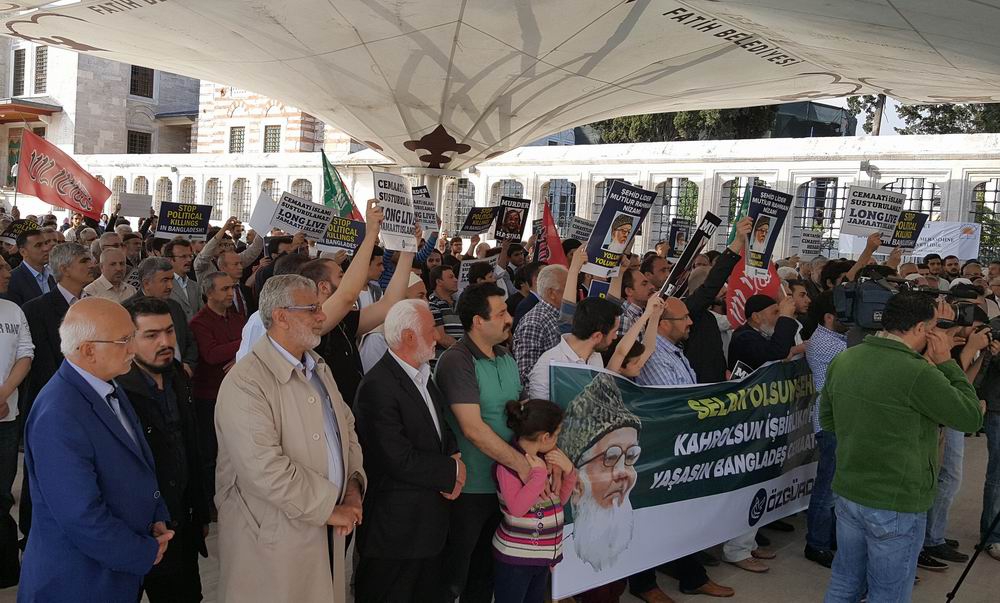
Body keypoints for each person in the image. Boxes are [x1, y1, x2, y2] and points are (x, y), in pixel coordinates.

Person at [821, 292, 984, 603]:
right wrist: (948, 364)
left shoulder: (845, 358)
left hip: (849, 491)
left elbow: (828, 422)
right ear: (922, 329)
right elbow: (970, 417)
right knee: (889, 594)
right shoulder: (917, 372)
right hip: (896, 500)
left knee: (844, 583)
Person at [215, 274, 366, 602]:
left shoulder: (317, 367)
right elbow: (263, 468)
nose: (322, 316)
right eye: (311, 308)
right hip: (273, 538)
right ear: (281, 316)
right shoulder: (247, 382)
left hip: (325, 526)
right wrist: (329, 507)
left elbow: (347, 429)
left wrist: (352, 487)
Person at [19, 298, 174, 602]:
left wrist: (155, 516)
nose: (133, 348)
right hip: (78, 581)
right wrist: (143, 551)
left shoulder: (107, 385)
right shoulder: (59, 414)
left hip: (113, 570)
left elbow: (135, 461)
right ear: (89, 349)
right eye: (124, 340)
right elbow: (81, 516)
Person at [353, 299, 464, 602]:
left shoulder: (421, 373)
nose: (437, 336)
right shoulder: (378, 386)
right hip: (396, 534)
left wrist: (454, 454)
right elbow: (396, 458)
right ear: (409, 337)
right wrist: (452, 472)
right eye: (431, 330)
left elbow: (440, 423)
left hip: (427, 528)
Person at [434, 282, 531, 602]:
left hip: (503, 487)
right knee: (453, 575)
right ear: (478, 320)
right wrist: (521, 464)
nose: (509, 318)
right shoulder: (456, 360)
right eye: (501, 313)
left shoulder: (505, 355)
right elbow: (473, 429)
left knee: (485, 574)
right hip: (469, 488)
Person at [633, 296, 735, 599]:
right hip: (661, 450)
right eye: (684, 318)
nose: (691, 322)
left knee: (682, 516)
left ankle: (691, 575)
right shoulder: (653, 357)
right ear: (663, 324)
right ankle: (644, 584)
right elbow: (675, 403)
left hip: (682, 448)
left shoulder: (673, 352)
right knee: (652, 519)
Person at [118, 297, 210, 602]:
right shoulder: (116, 389)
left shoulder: (177, 376)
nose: (165, 342)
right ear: (128, 340)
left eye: (169, 332)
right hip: (136, 529)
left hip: (181, 521)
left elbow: (189, 447)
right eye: (151, 335)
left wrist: (200, 511)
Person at [493, 399, 577, 603]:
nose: (558, 440)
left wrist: (570, 472)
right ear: (545, 437)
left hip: (541, 557)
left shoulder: (547, 460)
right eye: (557, 435)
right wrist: (538, 477)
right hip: (515, 560)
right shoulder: (508, 466)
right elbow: (517, 508)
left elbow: (559, 501)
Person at [189, 272, 246, 501]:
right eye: (224, 289)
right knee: (212, 450)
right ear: (208, 293)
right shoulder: (199, 322)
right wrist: (244, 345)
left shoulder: (238, 318)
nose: (231, 293)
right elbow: (211, 355)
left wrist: (240, 356)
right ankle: (213, 498)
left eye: (232, 288)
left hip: (238, 393)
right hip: (210, 396)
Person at [803, 291, 849, 569]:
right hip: (830, 424)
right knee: (827, 488)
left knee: (836, 488)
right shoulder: (827, 344)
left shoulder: (837, 338)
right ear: (829, 318)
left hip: (839, 421)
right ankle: (816, 544)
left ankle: (828, 537)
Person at [0, 257, 30, 586]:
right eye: (1, 268)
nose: (9, 272)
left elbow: (26, 352)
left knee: (2, 494)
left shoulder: (13, 310)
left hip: (7, 417)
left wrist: (5, 392)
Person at [526, 297, 620, 399]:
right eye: (614, 332)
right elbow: (539, 411)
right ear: (597, 336)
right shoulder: (547, 367)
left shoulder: (595, 356)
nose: (615, 337)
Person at [126, 257, 199, 375]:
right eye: (164, 280)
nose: (170, 286)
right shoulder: (127, 311)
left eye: (171, 280)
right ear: (146, 283)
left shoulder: (175, 306)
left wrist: (188, 364)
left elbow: (189, 340)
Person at [513, 263, 568, 385]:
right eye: (568, 289)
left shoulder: (561, 316)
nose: (572, 294)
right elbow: (526, 374)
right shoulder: (534, 322)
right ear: (552, 293)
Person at [6, 229, 55, 305]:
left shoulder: (52, 276)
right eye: (38, 245)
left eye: (46, 243)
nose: (46, 248)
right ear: (23, 252)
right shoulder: (11, 281)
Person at [164, 239, 204, 321]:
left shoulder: (195, 286)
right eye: (183, 256)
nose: (189, 260)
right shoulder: (163, 285)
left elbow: (202, 314)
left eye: (190, 256)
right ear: (170, 260)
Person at [428, 265, 463, 352]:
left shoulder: (460, 303)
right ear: (439, 282)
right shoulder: (432, 305)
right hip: (444, 361)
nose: (456, 280)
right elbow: (441, 337)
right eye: (451, 277)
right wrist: (466, 352)